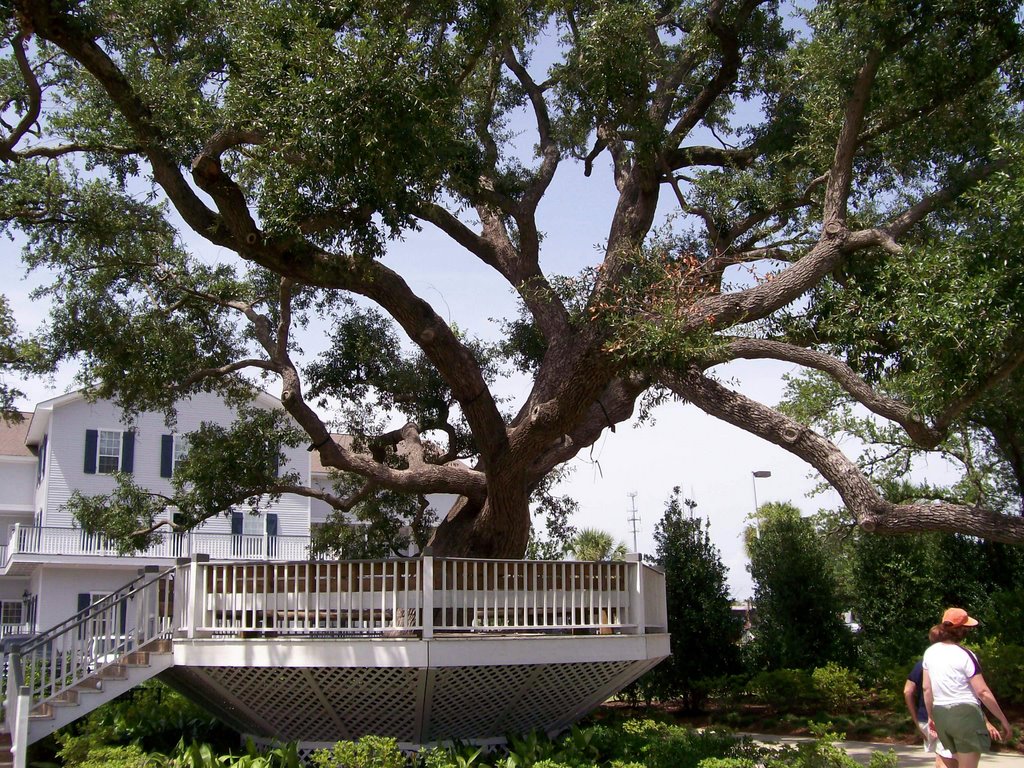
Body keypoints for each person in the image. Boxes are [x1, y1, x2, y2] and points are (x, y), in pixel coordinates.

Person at [923, 608, 1012, 768]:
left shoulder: (930, 653)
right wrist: (1002, 720)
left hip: (941, 713)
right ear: (962, 630)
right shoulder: (966, 655)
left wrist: (931, 716)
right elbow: (982, 692)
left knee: (946, 761)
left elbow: (926, 689)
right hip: (966, 715)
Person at [906, 627, 957, 768]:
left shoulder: (924, 662)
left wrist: (917, 721)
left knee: (945, 759)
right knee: (946, 760)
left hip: (926, 718)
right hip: (946, 717)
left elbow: (907, 691)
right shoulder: (957, 660)